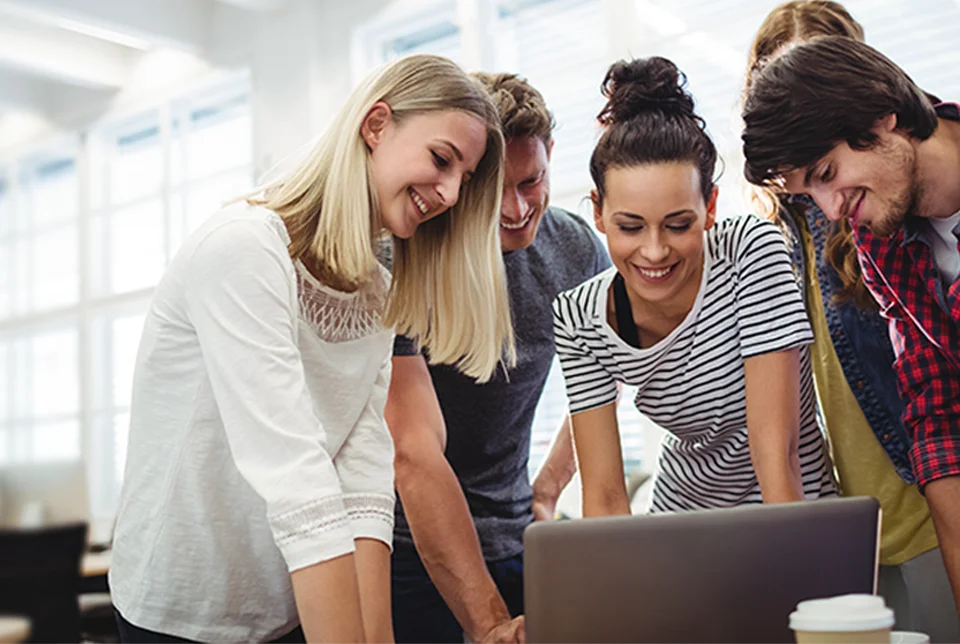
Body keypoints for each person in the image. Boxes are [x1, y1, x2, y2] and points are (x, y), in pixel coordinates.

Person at [109, 54, 515, 644]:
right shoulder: (243, 250)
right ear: (376, 126)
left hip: (284, 607)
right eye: (441, 159)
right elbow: (297, 476)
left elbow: (363, 477)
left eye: (465, 178)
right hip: (183, 608)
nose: (451, 193)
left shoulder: (376, 289)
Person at [743, 4, 959, 639]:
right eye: (811, 192)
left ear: (882, 114)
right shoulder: (880, 242)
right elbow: (936, 418)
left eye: (829, 174)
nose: (834, 210)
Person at [553, 56, 835, 521]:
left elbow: (776, 454)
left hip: (791, 513)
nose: (655, 250)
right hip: (682, 521)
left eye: (678, 224)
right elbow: (603, 496)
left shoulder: (750, 251)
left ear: (709, 207)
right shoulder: (580, 318)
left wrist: (795, 568)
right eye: (630, 227)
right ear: (599, 213)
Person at [386, 72, 611, 644]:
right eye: (495, 191)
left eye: (531, 181)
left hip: (517, 538)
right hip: (406, 547)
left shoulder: (575, 248)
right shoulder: (409, 255)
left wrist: (548, 488)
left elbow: (609, 375)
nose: (514, 209)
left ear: (552, 157)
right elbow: (411, 454)